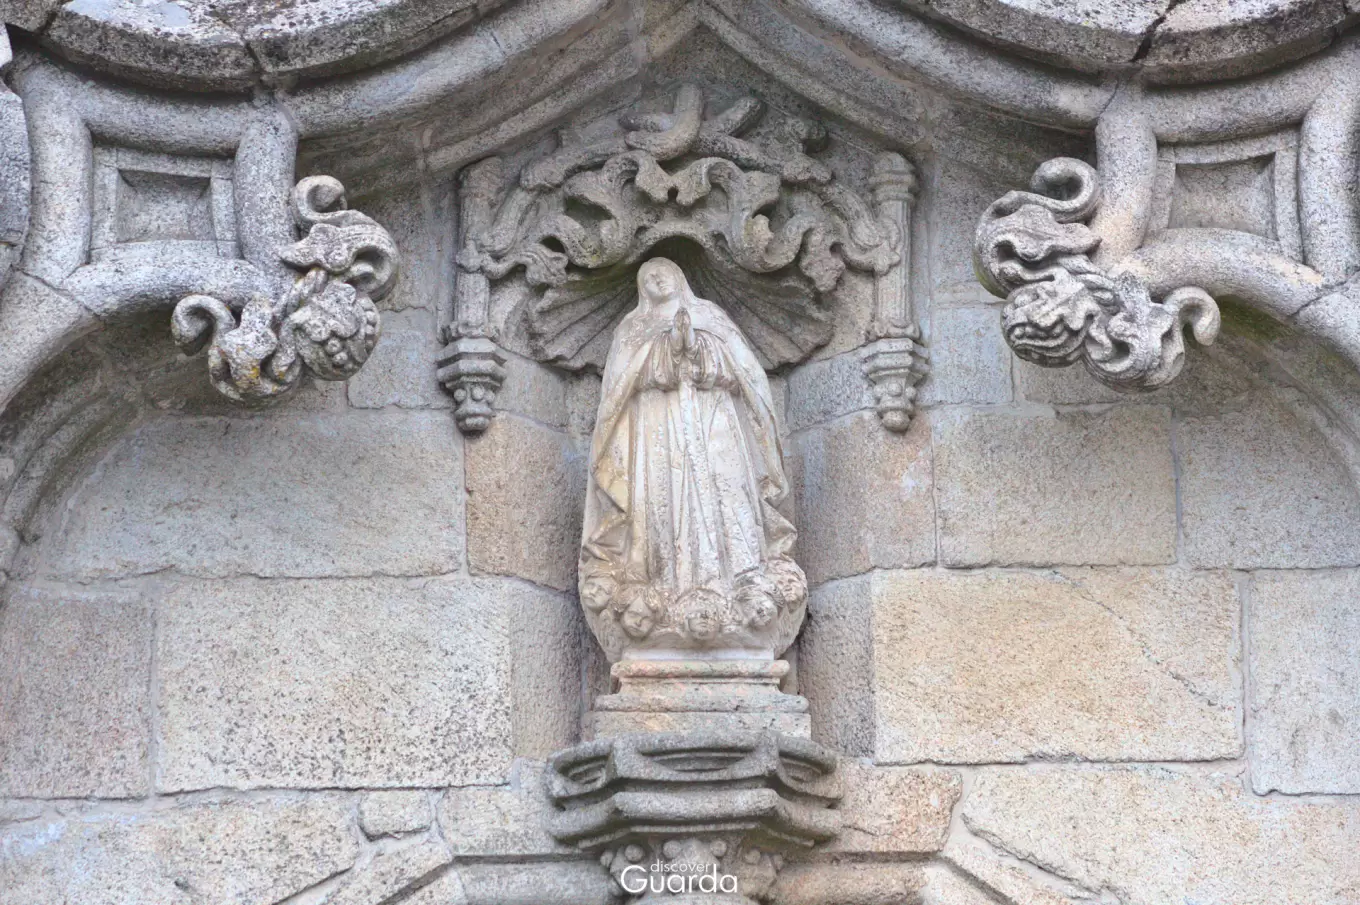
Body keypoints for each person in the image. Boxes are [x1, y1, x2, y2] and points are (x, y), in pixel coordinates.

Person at [579, 257, 806, 661]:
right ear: (641, 288)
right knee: (661, 510)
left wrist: (699, 351)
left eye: (664, 271)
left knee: (726, 501)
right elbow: (618, 389)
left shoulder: (711, 317)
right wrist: (663, 353)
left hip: (715, 425)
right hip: (655, 432)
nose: (657, 278)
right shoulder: (631, 329)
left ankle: (739, 586)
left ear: (680, 277)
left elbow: (745, 375)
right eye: (648, 276)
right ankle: (661, 590)